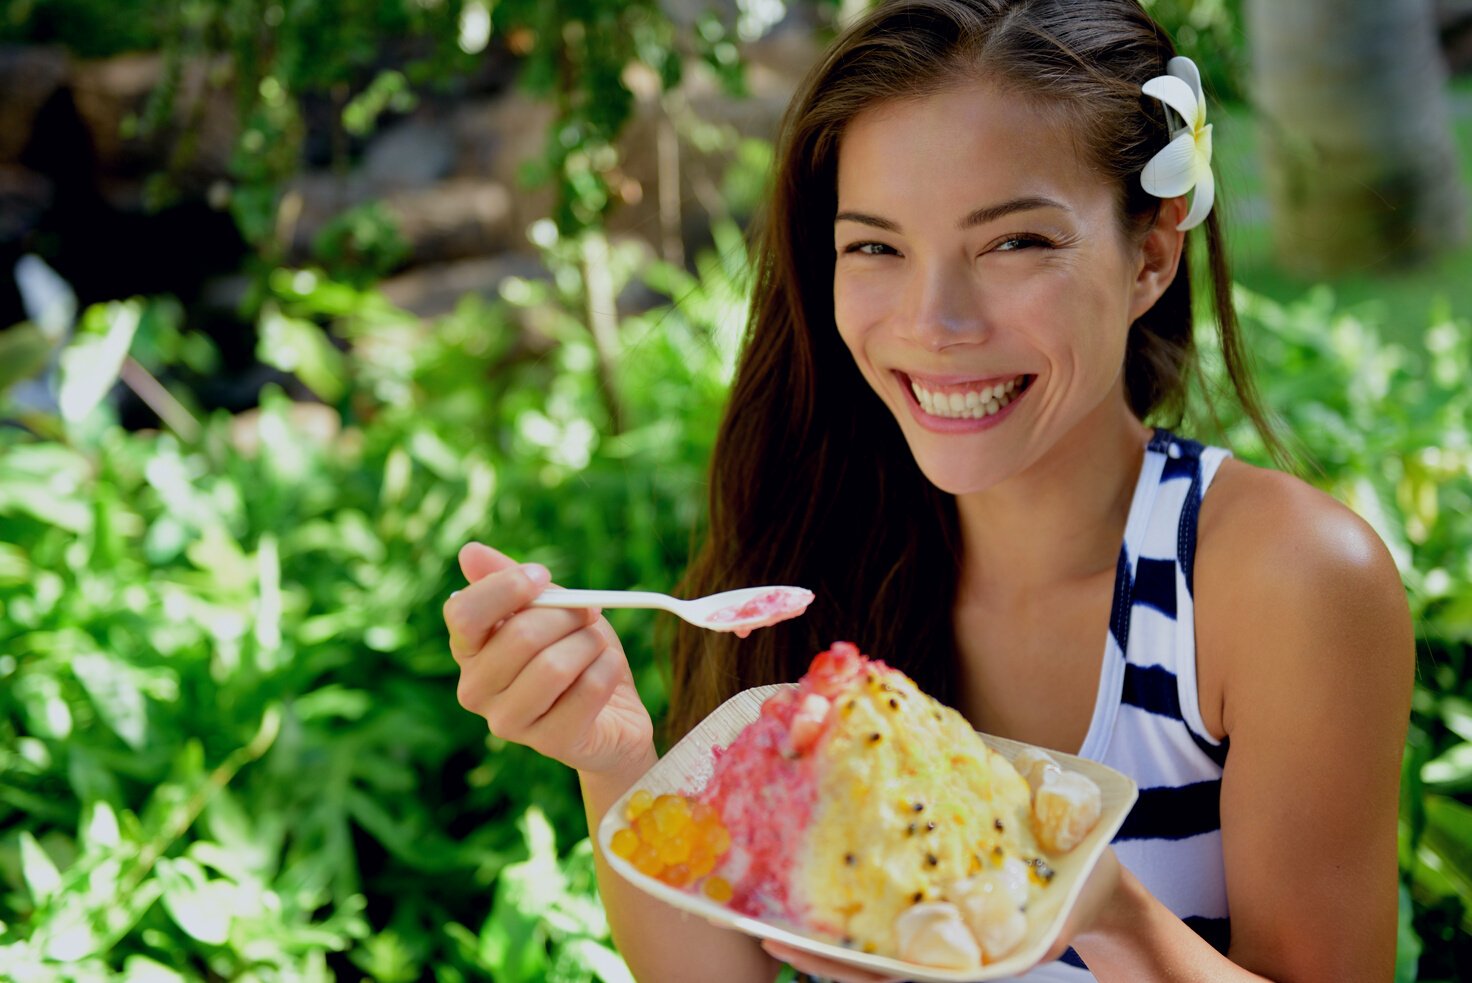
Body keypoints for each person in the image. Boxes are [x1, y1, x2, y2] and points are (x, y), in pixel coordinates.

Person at [442, 1, 1414, 979]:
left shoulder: (1279, 581)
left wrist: (1105, 912)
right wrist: (611, 757)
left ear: (1149, 255)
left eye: (1013, 243)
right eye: (874, 246)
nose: (933, 321)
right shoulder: (822, 534)